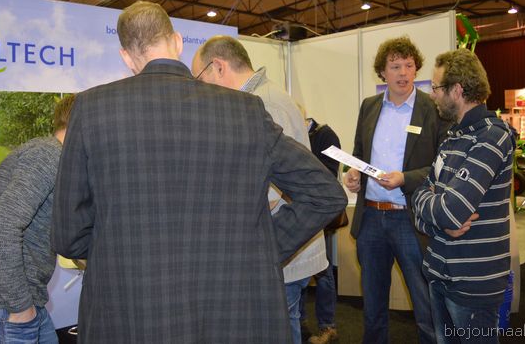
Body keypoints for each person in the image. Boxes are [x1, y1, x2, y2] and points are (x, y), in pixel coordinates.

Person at [51, 1, 347, 344]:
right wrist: (260, 246)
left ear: (126, 56)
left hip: (130, 309)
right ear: (177, 42)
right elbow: (325, 194)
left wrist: (117, 249)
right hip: (228, 310)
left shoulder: (91, 110)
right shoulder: (245, 110)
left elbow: (68, 234)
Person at [192, 35, 334, 344]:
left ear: (218, 67)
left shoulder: (264, 103)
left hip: (281, 251)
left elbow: (271, 191)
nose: (200, 89)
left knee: (280, 330)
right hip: (284, 251)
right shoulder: (263, 98)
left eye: (199, 78)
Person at [344, 36, 449, 344]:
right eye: (395, 66)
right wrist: (354, 174)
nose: (403, 73)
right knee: (373, 306)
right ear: (382, 72)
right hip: (371, 219)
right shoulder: (369, 106)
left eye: (409, 65)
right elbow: (359, 154)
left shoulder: (433, 109)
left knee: (425, 304)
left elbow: (443, 166)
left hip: (410, 218)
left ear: (416, 69)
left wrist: (405, 178)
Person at [0, 94, 76, 344]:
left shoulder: (53, 155)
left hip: (18, 306)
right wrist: (21, 307)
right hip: (4, 311)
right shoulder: (49, 155)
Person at [412, 48, 515, 344]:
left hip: (473, 283)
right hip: (439, 274)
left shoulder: (493, 136)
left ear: (456, 90)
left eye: (436, 87)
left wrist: (436, 210)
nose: (432, 95)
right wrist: (438, 221)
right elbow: (419, 198)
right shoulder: (452, 137)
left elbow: (452, 211)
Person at [302, 117, 342, 344]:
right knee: (297, 270)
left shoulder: (326, 136)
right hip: (299, 213)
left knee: (322, 270)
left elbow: (329, 176)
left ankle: (328, 325)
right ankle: (300, 321)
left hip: (317, 214)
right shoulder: (295, 134)